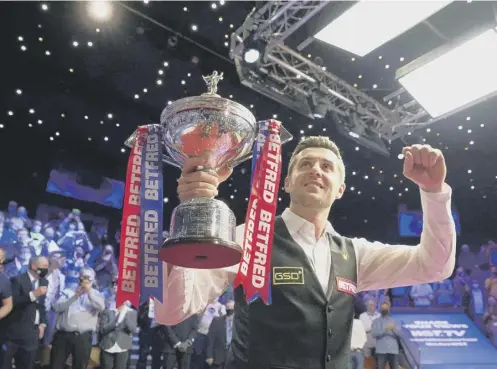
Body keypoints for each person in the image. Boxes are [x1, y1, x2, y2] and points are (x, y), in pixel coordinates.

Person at [156, 137, 456, 369]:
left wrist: (434, 192)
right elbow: (171, 311)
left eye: (327, 167)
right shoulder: (248, 236)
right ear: (286, 182)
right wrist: (191, 221)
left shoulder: (355, 253)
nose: (316, 170)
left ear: (340, 188)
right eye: (305, 164)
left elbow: (434, 265)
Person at [50, 267, 105, 369]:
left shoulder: (97, 294)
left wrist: (89, 293)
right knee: (55, 365)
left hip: (83, 337)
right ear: (78, 277)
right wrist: (75, 296)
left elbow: (101, 307)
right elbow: (56, 307)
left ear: (93, 279)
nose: (85, 280)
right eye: (83, 277)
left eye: (88, 278)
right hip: (63, 335)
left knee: (80, 366)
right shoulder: (67, 291)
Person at [1, 256, 49, 369]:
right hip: (13, 334)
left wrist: (43, 323)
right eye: (44, 266)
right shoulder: (17, 280)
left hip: (31, 335)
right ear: (33, 266)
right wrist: (33, 294)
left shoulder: (44, 282)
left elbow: (41, 305)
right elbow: (12, 303)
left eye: (47, 266)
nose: (46, 269)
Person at [99, 301, 138, 369]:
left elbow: (133, 329)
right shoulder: (108, 311)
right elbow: (102, 329)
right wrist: (116, 322)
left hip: (123, 346)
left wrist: (126, 318)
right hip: (107, 345)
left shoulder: (131, 312)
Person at [371, 301, 401, 369]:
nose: (384, 309)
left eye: (386, 308)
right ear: (380, 309)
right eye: (383, 308)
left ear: (388, 309)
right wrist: (384, 330)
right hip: (381, 350)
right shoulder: (376, 321)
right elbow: (374, 334)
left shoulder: (394, 320)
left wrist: (393, 329)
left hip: (393, 350)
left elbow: (400, 334)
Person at [206, 300, 235, 369]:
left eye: (232, 309)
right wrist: (209, 356)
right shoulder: (217, 321)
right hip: (218, 357)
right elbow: (210, 339)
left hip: (233, 357)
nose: (230, 311)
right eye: (228, 308)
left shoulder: (239, 322)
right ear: (225, 308)